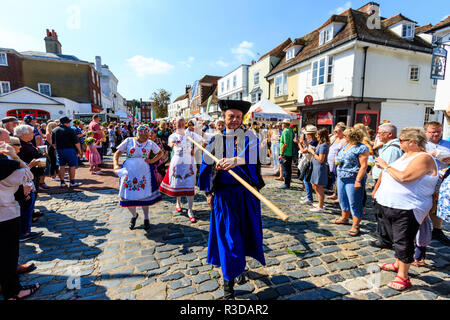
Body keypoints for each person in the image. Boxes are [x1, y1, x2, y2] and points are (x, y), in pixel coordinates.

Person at [198, 100, 265, 300]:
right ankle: (228, 289)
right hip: (224, 197)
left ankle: (239, 268)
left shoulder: (249, 136)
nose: (235, 120)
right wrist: (208, 193)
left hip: (246, 195)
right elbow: (206, 166)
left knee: (243, 235)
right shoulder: (216, 140)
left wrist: (235, 160)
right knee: (228, 238)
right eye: (231, 116)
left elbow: (254, 155)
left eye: (238, 117)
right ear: (224, 118)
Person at [372, 127, 439, 291]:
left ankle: (403, 277)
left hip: (408, 207)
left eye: (401, 140)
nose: (399, 142)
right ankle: (398, 264)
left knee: (404, 240)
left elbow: (405, 177)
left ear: (412, 142)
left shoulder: (423, 158)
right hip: (391, 204)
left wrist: (386, 166)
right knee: (395, 238)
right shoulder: (406, 155)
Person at [0, 142, 40, 300]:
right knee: (8, 255)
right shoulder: (5, 166)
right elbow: (27, 174)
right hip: (5, 215)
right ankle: (14, 292)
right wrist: (15, 156)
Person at [113, 125, 163, 231]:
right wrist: (115, 165)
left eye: (147, 135)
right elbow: (117, 154)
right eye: (143, 135)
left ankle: (146, 218)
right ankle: (134, 215)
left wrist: (152, 161)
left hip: (144, 171)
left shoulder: (150, 143)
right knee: (127, 195)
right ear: (138, 133)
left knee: (144, 195)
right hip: (129, 171)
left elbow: (160, 153)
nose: (145, 137)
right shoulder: (129, 141)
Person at [159, 117, 204, 223]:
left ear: (185, 124)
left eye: (182, 123)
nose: (180, 125)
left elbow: (202, 141)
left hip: (189, 161)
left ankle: (190, 210)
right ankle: (178, 202)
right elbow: (170, 143)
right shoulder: (173, 135)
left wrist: (195, 149)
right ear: (175, 125)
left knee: (189, 184)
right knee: (178, 182)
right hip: (178, 162)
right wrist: (172, 144)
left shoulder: (191, 134)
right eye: (178, 124)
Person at [370, 124, 403, 249]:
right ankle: (382, 234)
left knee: (382, 212)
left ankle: (385, 239)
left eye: (381, 132)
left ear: (389, 134)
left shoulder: (393, 149)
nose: (378, 135)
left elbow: (386, 171)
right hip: (381, 181)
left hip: (383, 183)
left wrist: (376, 189)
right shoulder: (387, 147)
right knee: (379, 212)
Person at [333, 127, 369, 236]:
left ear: (352, 136)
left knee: (354, 202)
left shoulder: (362, 148)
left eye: (346, 135)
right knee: (342, 199)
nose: (344, 137)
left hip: (353, 178)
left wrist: (358, 180)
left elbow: (364, 166)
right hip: (341, 176)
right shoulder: (346, 145)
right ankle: (344, 218)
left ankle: (355, 225)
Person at [14, 125, 45, 241]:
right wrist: (31, 165)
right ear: (23, 134)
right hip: (26, 177)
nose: (33, 135)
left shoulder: (27, 143)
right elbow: (19, 166)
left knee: (30, 201)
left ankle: (27, 225)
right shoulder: (20, 146)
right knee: (26, 203)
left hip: (31, 174)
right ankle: (24, 232)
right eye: (31, 133)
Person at [424, 121, 450, 245]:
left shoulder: (448, 144)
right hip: (425, 180)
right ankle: (422, 231)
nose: (436, 134)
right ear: (426, 132)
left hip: (443, 180)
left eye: (438, 132)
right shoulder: (422, 145)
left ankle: (437, 230)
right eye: (432, 132)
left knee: (437, 205)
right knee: (425, 204)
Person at [52, 117, 82, 188]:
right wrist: (80, 151)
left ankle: (62, 182)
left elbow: (53, 143)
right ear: (66, 123)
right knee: (72, 166)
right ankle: (72, 182)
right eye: (68, 122)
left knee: (61, 166)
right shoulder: (70, 130)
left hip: (59, 150)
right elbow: (76, 142)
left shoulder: (54, 130)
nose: (69, 123)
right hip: (70, 149)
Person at [308, 128, 330, 212]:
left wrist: (312, 152)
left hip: (320, 168)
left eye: (317, 134)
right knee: (314, 185)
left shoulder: (324, 145)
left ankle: (321, 206)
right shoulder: (320, 144)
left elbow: (321, 159)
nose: (316, 136)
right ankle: (320, 203)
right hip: (316, 167)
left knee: (319, 187)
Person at [298, 125, 318, 204]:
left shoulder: (314, 142)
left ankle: (309, 198)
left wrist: (299, 144)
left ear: (309, 135)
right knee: (306, 180)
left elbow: (304, 151)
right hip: (310, 162)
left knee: (306, 180)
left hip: (310, 162)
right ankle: (308, 195)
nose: (305, 135)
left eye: (306, 134)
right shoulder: (314, 141)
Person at [327, 123, 346, 201]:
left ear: (343, 132)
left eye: (337, 131)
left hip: (338, 162)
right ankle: (335, 193)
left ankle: (339, 196)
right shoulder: (334, 138)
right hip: (331, 162)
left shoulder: (344, 140)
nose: (335, 133)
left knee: (338, 179)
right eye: (334, 131)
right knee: (333, 178)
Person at [278, 119, 294, 189]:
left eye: (282, 124)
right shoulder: (290, 130)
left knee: (286, 169)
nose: (281, 125)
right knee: (288, 169)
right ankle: (287, 183)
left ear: (284, 124)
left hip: (285, 153)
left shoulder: (285, 131)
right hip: (289, 153)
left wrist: (281, 153)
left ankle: (286, 184)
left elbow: (285, 144)